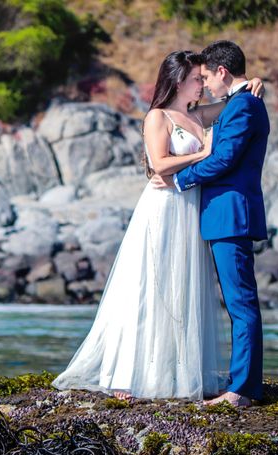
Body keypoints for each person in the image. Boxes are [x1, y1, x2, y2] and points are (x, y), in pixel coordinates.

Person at [52, 49, 264, 401]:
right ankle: (127, 373)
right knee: (149, 286)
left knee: (182, 290)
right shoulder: (157, 116)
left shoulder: (198, 114)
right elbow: (160, 165)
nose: (202, 84)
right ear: (179, 81)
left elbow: (235, 101)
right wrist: (203, 154)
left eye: (204, 77)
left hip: (190, 209)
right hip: (164, 206)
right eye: (197, 79)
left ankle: (173, 373)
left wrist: (255, 82)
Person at [151, 41, 270, 407]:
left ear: (223, 72)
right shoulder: (240, 103)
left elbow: (225, 158)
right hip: (222, 214)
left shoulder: (243, 105)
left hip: (230, 214)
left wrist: (181, 181)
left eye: (206, 77)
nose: (205, 85)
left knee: (240, 303)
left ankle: (243, 389)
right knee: (238, 302)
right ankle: (242, 382)